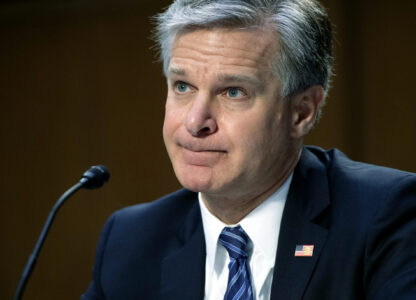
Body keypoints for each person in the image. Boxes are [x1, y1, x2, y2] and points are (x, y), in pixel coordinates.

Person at [82, 0, 416, 299]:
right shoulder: (130, 242)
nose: (196, 121)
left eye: (233, 92)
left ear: (302, 112)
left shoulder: (384, 219)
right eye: (182, 86)